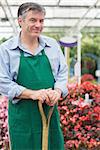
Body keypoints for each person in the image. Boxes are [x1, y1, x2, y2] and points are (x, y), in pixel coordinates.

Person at [0, 2, 68, 150]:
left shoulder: (52, 46)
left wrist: (57, 91)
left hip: (49, 114)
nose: (38, 25)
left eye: (41, 21)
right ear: (20, 21)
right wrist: (33, 94)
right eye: (33, 20)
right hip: (22, 118)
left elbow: (62, 73)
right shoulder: (6, 50)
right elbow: (3, 82)